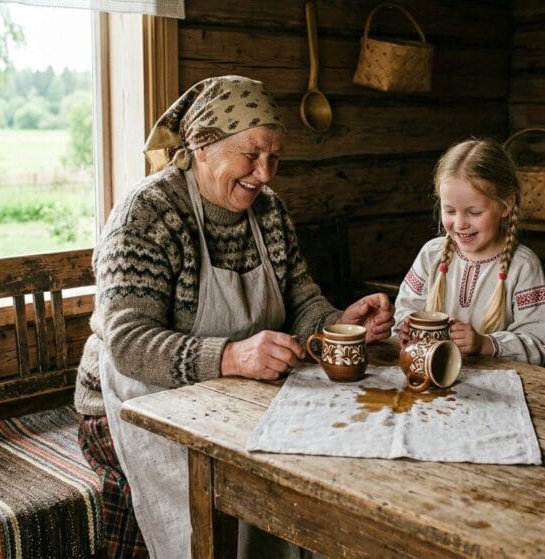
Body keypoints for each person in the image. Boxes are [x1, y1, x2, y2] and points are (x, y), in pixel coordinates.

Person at [73, 75, 394, 559]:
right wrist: (229, 356)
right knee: (221, 497)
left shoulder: (270, 214)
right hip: (133, 403)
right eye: (252, 155)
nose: (265, 174)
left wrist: (337, 323)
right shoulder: (148, 214)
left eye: (275, 157)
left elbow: (302, 300)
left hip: (234, 396)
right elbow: (128, 342)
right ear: (202, 145)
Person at [393, 138, 545, 364]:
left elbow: (539, 345)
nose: (460, 224)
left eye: (474, 212)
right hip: (431, 374)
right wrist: (406, 328)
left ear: (505, 206)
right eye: (449, 211)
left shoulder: (523, 265)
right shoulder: (431, 255)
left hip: (498, 387)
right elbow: (404, 312)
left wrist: (485, 343)